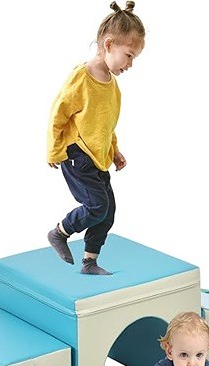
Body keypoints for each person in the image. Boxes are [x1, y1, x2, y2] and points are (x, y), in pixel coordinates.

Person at [46, 1, 145, 275]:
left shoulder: (112, 87)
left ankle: (89, 261)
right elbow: (58, 113)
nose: (130, 64)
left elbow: (105, 125)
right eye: (129, 55)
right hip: (77, 154)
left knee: (107, 211)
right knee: (97, 206)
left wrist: (115, 150)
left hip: (98, 157)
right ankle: (60, 232)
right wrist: (54, 150)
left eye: (134, 58)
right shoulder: (83, 78)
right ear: (109, 44)